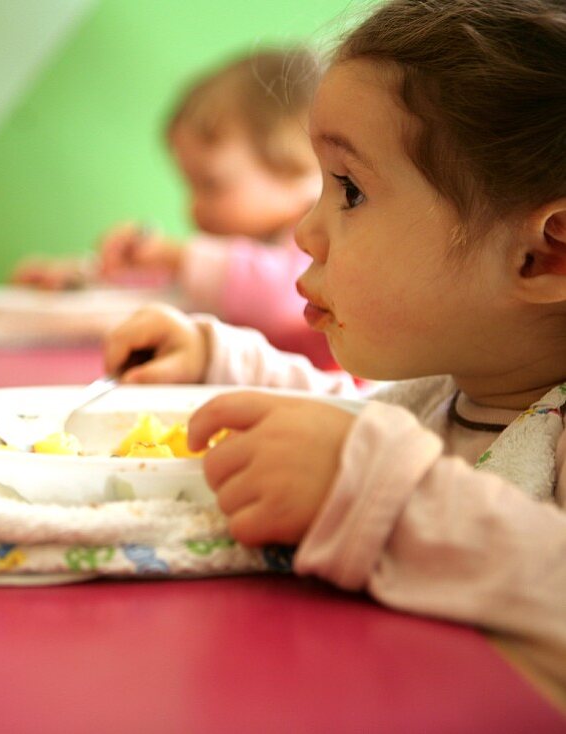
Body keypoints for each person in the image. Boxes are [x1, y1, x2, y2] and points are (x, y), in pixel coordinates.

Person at [104, 0, 566, 686]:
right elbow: (355, 424)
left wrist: (385, 495)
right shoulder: (448, 392)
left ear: (541, 258)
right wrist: (220, 363)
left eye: (348, 191)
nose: (302, 233)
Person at [13, 48, 336, 368]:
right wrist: (85, 278)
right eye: (191, 185)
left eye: (210, 184)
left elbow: (278, 298)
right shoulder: (238, 248)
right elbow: (172, 293)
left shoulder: (324, 242)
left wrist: (177, 257)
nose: (193, 208)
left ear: (303, 167)